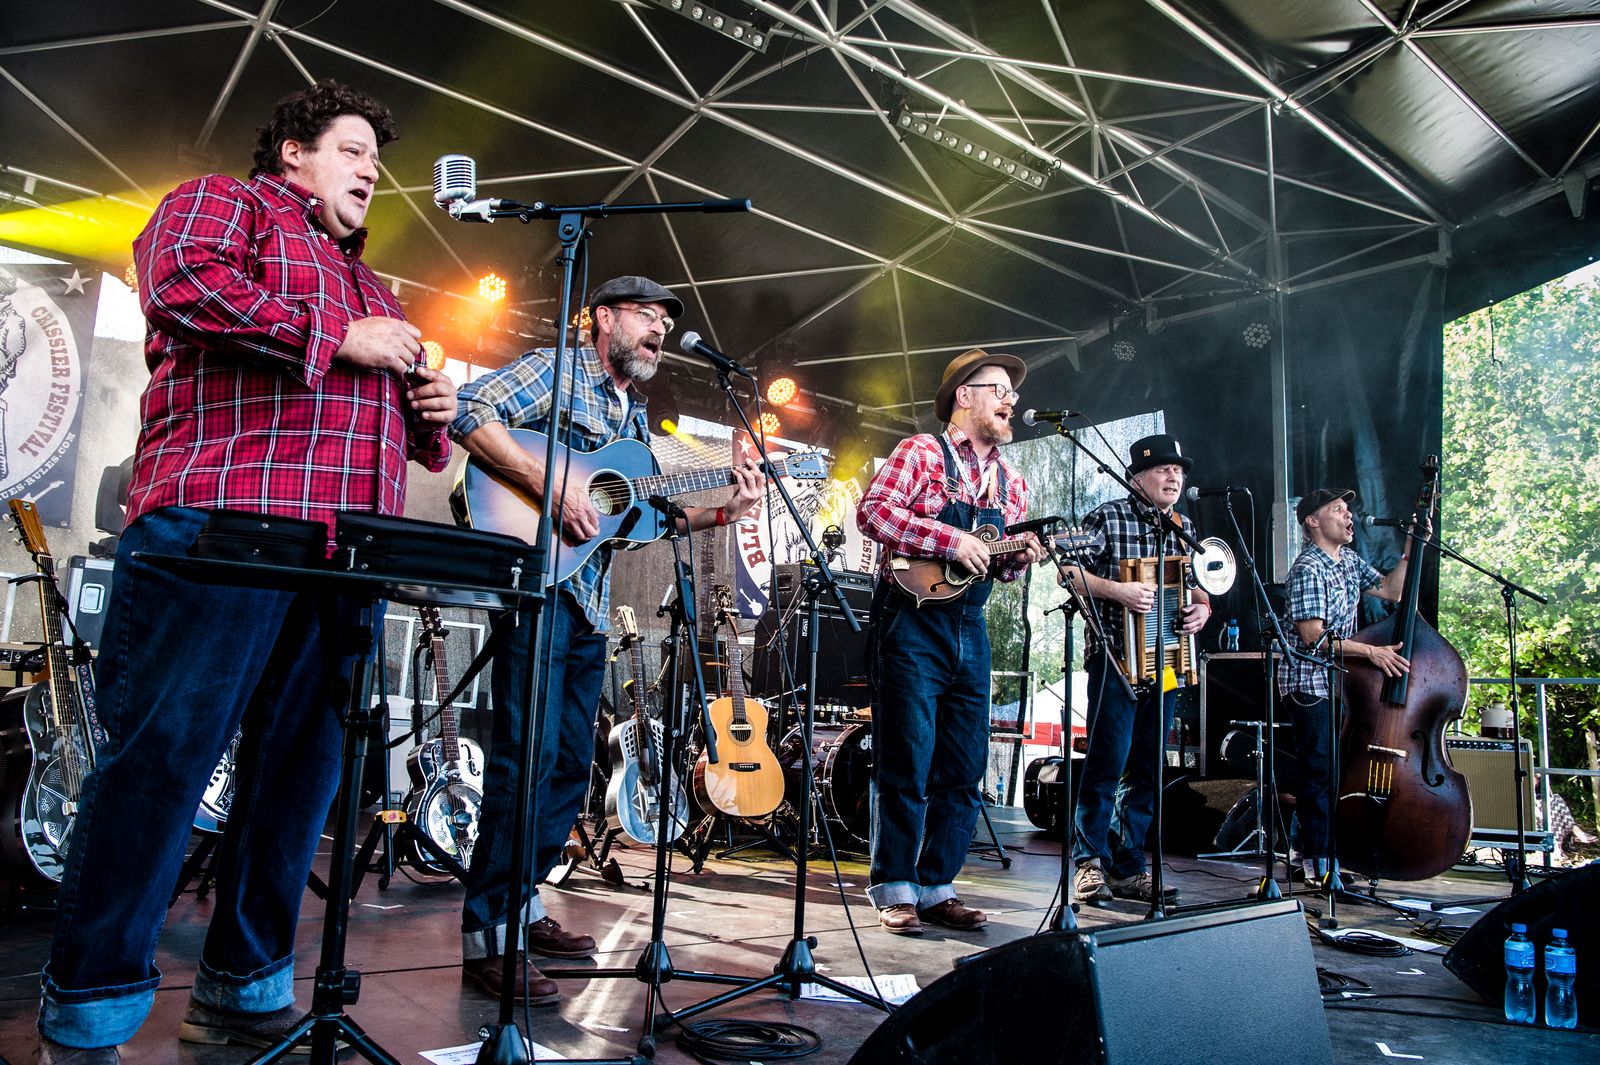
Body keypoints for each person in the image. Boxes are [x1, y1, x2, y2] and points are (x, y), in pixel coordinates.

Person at [36, 81, 457, 1064]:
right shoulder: (224, 203)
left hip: (342, 556)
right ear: (293, 152)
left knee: (298, 783)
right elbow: (181, 283)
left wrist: (428, 412)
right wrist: (339, 337)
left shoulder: (376, 288)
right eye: (352, 149)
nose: (371, 171)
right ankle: (89, 1010)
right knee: (163, 764)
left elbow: (404, 440)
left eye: (376, 159)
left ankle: (243, 989)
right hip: (221, 527)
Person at [450, 275, 763, 1002]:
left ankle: (522, 903)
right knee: (526, 759)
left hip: (588, 605)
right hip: (537, 589)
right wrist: (546, 482)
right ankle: (488, 935)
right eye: (646, 316)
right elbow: (469, 407)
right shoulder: (558, 370)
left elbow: (635, 523)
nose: (658, 331)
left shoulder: (633, 420)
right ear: (603, 319)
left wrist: (727, 511)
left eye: (664, 324)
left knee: (569, 766)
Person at [856, 349, 1047, 935]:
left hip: (970, 625)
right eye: (1000, 390)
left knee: (964, 765)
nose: (1012, 400)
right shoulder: (921, 451)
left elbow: (997, 567)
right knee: (906, 760)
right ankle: (895, 887)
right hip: (910, 624)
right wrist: (949, 539)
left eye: (1013, 392)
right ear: (965, 396)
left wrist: (1019, 557)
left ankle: (938, 886)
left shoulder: (1012, 482)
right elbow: (873, 513)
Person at [1061, 434, 1210, 904]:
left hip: (1165, 661)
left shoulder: (1183, 526)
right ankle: (1089, 862)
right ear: (1136, 478)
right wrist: (1118, 590)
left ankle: (1128, 867)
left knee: (1148, 766)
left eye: (1178, 470)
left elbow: (1198, 587)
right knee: (1107, 760)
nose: (1173, 477)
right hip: (1115, 658)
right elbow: (1068, 570)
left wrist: (1202, 609)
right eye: (1163, 469)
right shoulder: (1107, 517)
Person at [1279, 488, 1410, 882]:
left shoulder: (1349, 561)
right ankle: (1320, 862)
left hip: (1338, 684)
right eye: (1337, 509)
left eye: (1347, 509)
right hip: (1308, 682)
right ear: (1313, 521)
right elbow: (1313, 637)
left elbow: (1392, 591)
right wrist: (1371, 653)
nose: (1348, 516)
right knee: (1319, 771)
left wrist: (1410, 548)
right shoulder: (1308, 568)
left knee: (1329, 771)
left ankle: (1304, 853)